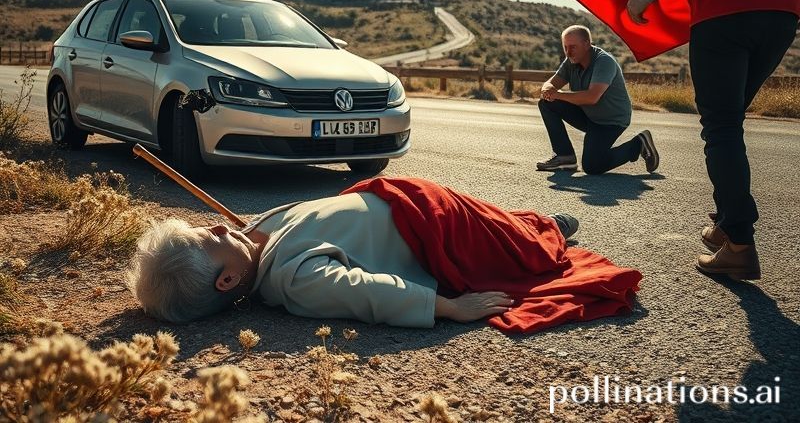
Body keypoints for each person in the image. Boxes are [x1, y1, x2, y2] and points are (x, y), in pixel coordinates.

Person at [126, 177, 642, 333]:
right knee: (518, 244)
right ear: (226, 281)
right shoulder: (290, 279)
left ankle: (544, 223)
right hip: (431, 231)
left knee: (498, 216)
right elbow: (366, 291)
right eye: (209, 238)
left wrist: (250, 233)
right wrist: (448, 307)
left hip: (407, 198)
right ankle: (555, 228)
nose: (219, 225)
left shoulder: (255, 242)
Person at [625, 0, 800, 280]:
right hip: (781, 16)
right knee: (729, 121)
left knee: (720, 128)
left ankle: (740, 244)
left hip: (724, 14)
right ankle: (728, 221)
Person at [536, 24, 659, 175]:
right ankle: (565, 157)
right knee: (546, 103)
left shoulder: (604, 61)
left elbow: (592, 97)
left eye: (573, 47)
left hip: (611, 121)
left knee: (592, 166)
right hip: (589, 116)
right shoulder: (571, 61)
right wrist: (547, 89)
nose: (568, 52)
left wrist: (557, 94)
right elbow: (550, 84)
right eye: (565, 47)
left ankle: (639, 143)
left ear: (586, 44)